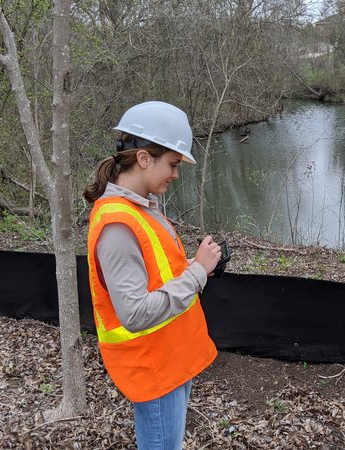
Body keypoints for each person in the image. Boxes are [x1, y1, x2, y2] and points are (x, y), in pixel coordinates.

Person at [83, 101, 220, 449]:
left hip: (170, 359)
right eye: (173, 164)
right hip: (153, 368)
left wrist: (198, 265)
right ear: (144, 158)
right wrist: (197, 272)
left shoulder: (140, 209)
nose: (176, 174)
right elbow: (135, 313)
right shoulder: (117, 226)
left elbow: (159, 274)